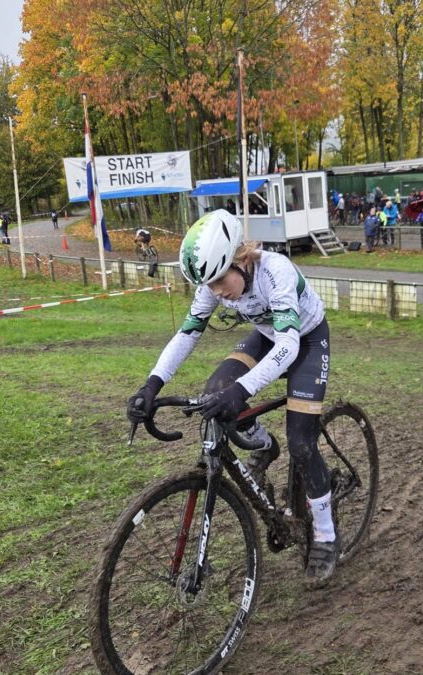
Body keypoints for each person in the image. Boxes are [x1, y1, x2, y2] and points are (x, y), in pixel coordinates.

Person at [126, 209, 340, 584]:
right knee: (215, 392)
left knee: (301, 442)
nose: (216, 292)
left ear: (240, 259)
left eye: (219, 281)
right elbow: (188, 334)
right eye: (208, 285)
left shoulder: (275, 272)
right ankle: (264, 445)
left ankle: (325, 534)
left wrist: (241, 391)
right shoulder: (214, 282)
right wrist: (151, 385)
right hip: (268, 336)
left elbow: (289, 345)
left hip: (305, 341)